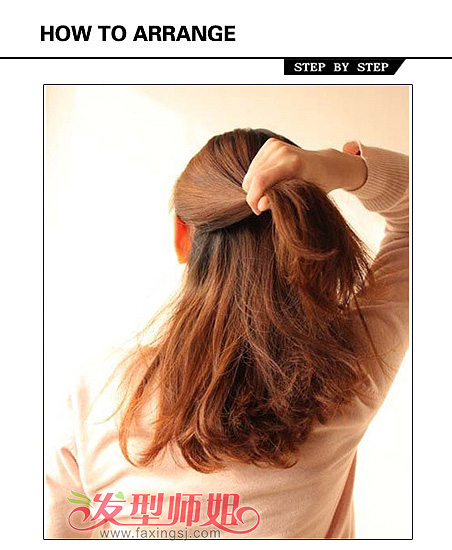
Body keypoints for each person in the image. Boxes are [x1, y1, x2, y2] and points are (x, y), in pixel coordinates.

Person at [45, 128, 409, 539]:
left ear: (182, 237)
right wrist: (337, 167)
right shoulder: (346, 376)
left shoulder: (96, 398)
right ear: (302, 230)